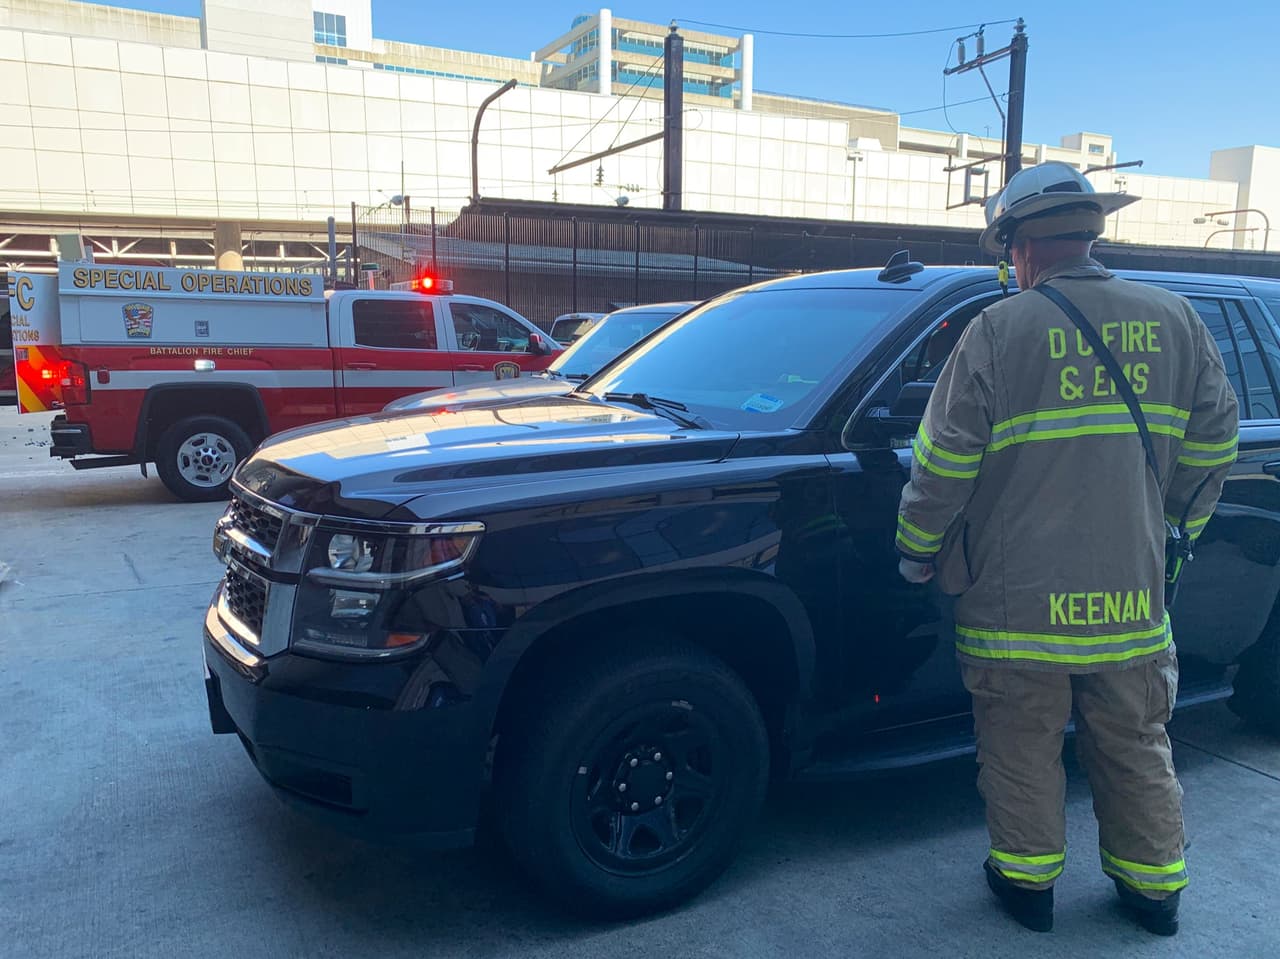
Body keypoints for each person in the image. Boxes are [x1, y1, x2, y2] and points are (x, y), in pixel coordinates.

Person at [895, 161, 1239, 936]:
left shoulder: (997, 330)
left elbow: (942, 465)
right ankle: (1153, 893)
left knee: (1021, 745)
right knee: (1136, 742)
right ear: (1090, 232)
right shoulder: (1177, 319)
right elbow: (1216, 442)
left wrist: (918, 552)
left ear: (1019, 245)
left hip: (1018, 609)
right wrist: (1168, 527)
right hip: (1130, 598)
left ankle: (1026, 888)